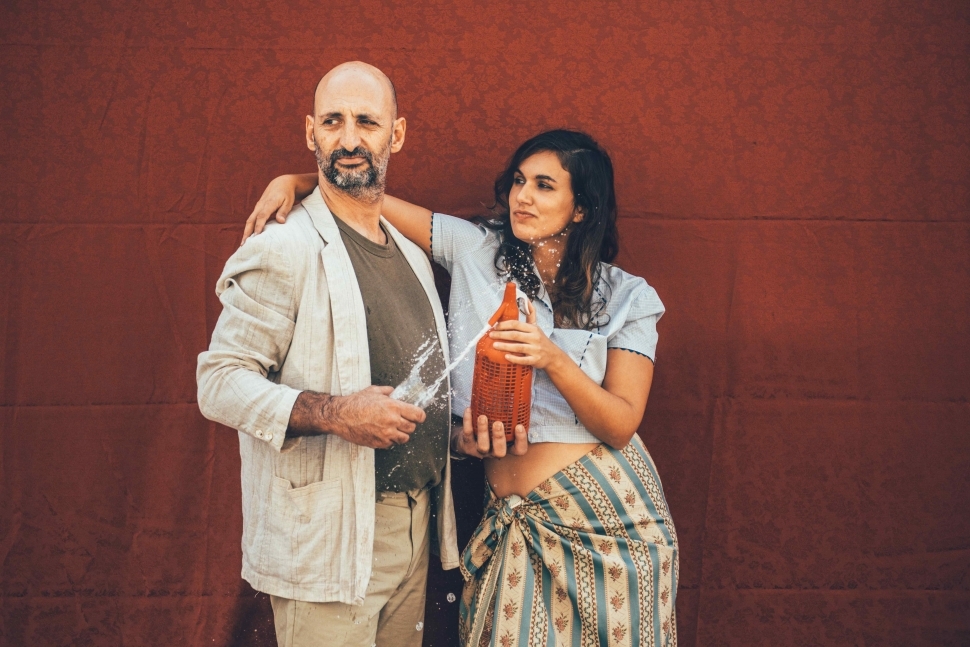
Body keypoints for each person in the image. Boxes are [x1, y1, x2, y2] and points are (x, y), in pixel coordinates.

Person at [245, 129, 678, 646]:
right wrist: (298, 180)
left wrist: (551, 357)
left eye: (544, 186)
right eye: (519, 181)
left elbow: (621, 423)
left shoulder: (628, 297)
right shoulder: (477, 249)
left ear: (581, 208)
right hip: (512, 523)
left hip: (607, 523)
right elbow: (371, 204)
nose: (523, 196)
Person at [198, 61, 519, 647]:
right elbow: (218, 382)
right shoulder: (284, 247)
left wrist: (453, 438)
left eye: (366, 122)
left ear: (396, 134)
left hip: (416, 527)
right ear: (311, 133)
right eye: (332, 121)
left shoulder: (412, 255)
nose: (348, 139)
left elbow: (410, 386)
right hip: (330, 537)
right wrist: (335, 413)